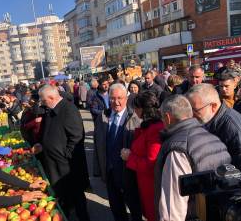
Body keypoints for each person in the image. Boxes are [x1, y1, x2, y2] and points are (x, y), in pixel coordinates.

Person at [155, 95, 231, 220]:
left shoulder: (177, 149)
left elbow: (173, 206)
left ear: (168, 118)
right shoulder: (213, 138)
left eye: (162, 118)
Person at [37, 85, 90, 221]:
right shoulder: (51, 109)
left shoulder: (68, 109)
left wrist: (66, 154)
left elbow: (77, 136)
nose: (42, 104)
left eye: (43, 101)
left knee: (77, 196)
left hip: (67, 165)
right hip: (55, 163)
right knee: (64, 196)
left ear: (52, 97)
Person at [94, 83, 142, 221]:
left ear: (126, 98)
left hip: (128, 173)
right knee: (116, 208)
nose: (116, 102)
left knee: (134, 208)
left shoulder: (135, 118)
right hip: (110, 171)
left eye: (119, 98)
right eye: (112, 98)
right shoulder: (103, 116)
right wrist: (99, 168)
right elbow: (99, 145)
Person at [121, 92, 164, 221]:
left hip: (151, 185)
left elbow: (151, 163)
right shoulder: (149, 126)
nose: (134, 110)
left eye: (136, 107)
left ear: (142, 109)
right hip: (144, 182)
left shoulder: (155, 129)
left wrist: (130, 157)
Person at [186, 83, 241, 173]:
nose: (191, 115)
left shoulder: (235, 129)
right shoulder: (209, 119)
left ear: (213, 106)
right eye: (190, 110)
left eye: (195, 110)